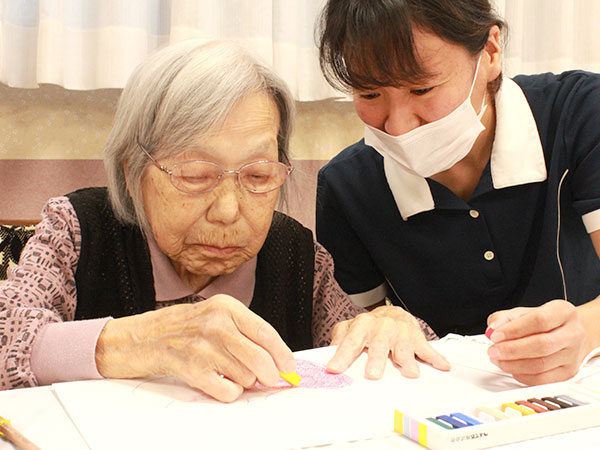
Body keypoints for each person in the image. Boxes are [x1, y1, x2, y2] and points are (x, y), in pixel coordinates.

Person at [0, 40, 449, 401]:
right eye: (195, 176)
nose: (229, 211)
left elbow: (371, 349)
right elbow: (8, 336)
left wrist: (387, 327)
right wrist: (137, 342)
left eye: (257, 175)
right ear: (131, 172)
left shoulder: (295, 255)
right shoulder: (79, 229)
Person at [315, 0, 600, 386]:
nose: (398, 126)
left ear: (490, 52)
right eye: (369, 95)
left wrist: (584, 331)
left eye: (421, 88)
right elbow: (351, 329)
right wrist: (379, 324)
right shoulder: (347, 186)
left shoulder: (580, 115)